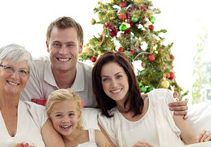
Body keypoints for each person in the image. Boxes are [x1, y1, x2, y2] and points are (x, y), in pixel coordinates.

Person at [21, 16, 189, 113]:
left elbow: (123, 98)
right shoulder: (31, 70)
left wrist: (164, 102)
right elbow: (20, 112)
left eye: (70, 45)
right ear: (47, 45)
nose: (63, 52)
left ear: (80, 47)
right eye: (57, 44)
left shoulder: (93, 77)